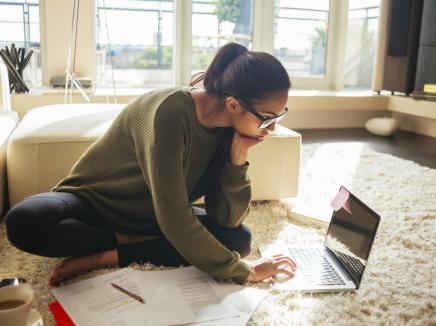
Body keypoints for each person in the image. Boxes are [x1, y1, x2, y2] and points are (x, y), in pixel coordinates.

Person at [5, 42, 297, 286]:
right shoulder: (169, 113)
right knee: (24, 221)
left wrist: (237, 159)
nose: (271, 129)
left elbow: (226, 219)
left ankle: (109, 255)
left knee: (239, 238)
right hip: (96, 203)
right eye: (267, 118)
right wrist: (246, 271)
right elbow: (175, 220)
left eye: (279, 117)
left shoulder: (231, 132)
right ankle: (129, 242)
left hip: (154, 216)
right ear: (233, 104)